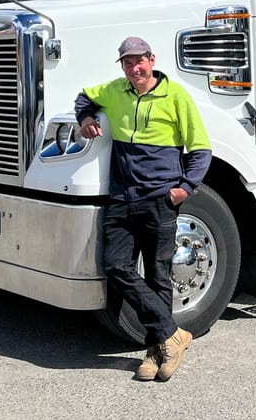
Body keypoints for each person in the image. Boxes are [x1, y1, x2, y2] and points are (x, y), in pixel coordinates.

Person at [75, 35, 211, 381]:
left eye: (139, 61)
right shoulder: (114, 90)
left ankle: (156, 351)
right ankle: (173, 334)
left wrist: (184, 189)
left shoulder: (176, 95)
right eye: (127, 62)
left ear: (152, 60)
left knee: (158, 274)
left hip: (160, 199)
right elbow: (84, 96)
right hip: (122, 198)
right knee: (115, 265)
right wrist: (85, 118)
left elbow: (200, 148)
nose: (134, 68)